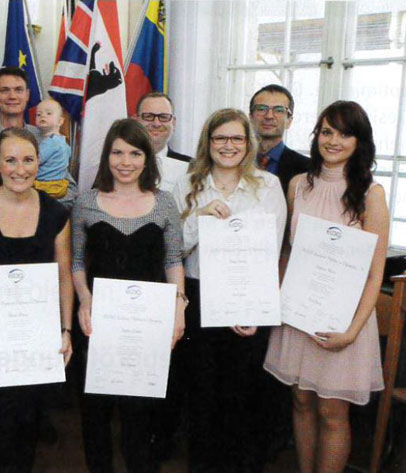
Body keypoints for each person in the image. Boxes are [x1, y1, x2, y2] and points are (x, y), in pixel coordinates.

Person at [264, 101, 388, 473]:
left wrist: (350, 332)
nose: (333, 140)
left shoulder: (371, 193)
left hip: (343, 320)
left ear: (359, 141)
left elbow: (374, 274)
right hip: (298, 314)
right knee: (301, 403)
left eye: (345, 133)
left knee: (332, 411)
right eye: (326, 131)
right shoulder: (298, 184)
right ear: (316, 135)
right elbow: (287, 251)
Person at [173, 108, 286, 473]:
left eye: (237, 138)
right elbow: (171, 249)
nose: (229, 145)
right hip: (198, 297)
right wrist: (199, 217)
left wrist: (255, 309)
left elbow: (271, 251)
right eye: (220, 137)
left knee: (242, 397)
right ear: (208, 142)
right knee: (201, 396)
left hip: (247, 299)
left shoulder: (267, 186)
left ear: (248, 142)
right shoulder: (186, 183)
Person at [0, 128, 73, 472]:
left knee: (26, 436)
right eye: (10, 160)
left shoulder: (56, 214)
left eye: (28, 160)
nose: (19, 169)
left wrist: (65, 331)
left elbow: (63, 275)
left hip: (35, 348)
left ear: (39, 162)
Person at [72, 118, 186, 473]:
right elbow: (76, 261)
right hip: (98, 324)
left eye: (135, 153)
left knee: (141, 416)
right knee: (95, 416)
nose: (125, 161)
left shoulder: (164, 203)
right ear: (107, 156)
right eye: (117, 152)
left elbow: (173, 260)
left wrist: (179, 308)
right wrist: (84, 300)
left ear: (147, 158)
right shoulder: (87, 202)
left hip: (146, 327)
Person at [132, 91, 192, 460]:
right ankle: (137, 434)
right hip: (132, 277)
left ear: (173, 123)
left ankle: (163, 437)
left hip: (174, 275)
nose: (156, 124)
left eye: (163, 117)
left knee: (171, 366)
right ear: (136, 119)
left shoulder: (192, 167)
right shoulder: (119, 162)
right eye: (148, 116)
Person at [0, 66, 77, 209]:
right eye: (4, 90)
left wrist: (42, 212)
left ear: (27, 95)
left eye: (18, 90)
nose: (12, 96)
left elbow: (69, 189)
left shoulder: (47, 137)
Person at [249, 84, 310, 194]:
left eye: (279, 110)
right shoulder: (235, 160)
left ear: (289, 121)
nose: (269, 116)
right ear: (251, 117)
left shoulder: (307, 169)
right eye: (262, 109)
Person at [34, 98, 71, 199]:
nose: (43, 115)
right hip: (60, 186)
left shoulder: (51, 142)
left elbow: (35, 160)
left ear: (60, 121)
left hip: (45, 186)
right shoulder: (64, 142)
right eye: (38, 114)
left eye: (49, 113)